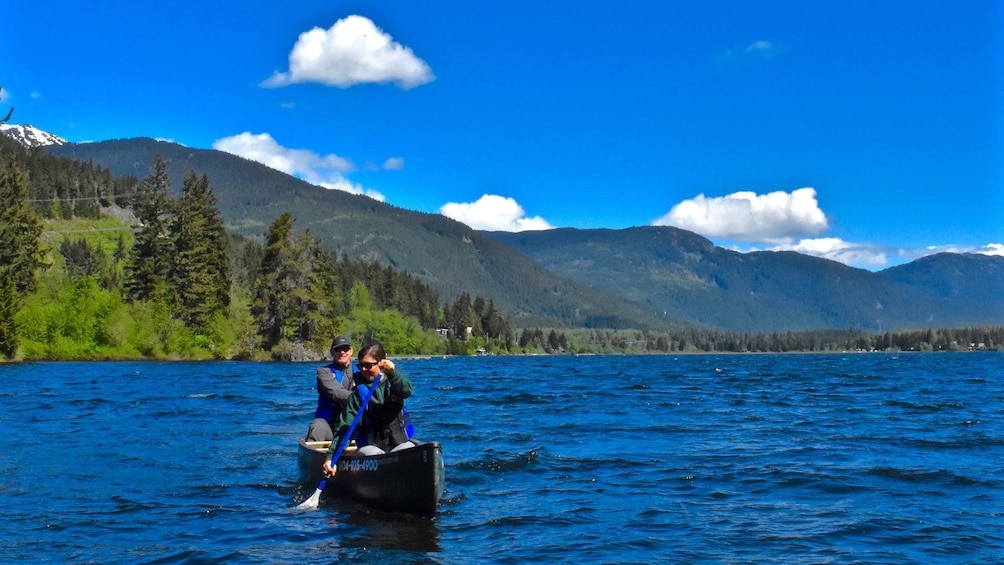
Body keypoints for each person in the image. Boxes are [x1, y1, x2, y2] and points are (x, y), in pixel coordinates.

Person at [322, 342, 414, 478]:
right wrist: (330, 458)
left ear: (381, 363)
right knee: (374, 455)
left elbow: (406, 390)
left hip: (397, 444)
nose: (363, 370)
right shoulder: (358, 394)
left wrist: (392, 373)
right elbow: (346, 428)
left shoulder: (394, 383)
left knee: (410, 450)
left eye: (368, 365)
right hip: (370, 448)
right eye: (360, 366)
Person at [305, 336, 357, 442]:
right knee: (317, 426)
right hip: (329, 424)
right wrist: (363, 397)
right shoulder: (324, 373)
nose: (342, 352)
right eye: (337, 349)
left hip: (353, 424)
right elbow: (337, 392)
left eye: (345, 349)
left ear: (351, 351)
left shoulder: (361, 372)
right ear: (332, 352)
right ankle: (315, 455)